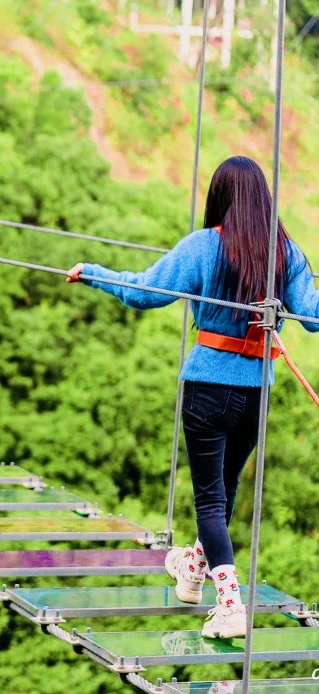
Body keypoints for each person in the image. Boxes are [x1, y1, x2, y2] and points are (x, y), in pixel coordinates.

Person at [66, 156, 319, 640]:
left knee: (209, 499)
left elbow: (145, 292)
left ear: (220, 197)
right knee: (225, 490)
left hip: (207, 388)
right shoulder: (286, 253)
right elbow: (312, 314)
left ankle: (229, 604)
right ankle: (192, 568)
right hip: (254, 393)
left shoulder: (205, 246)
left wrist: (93, 273)